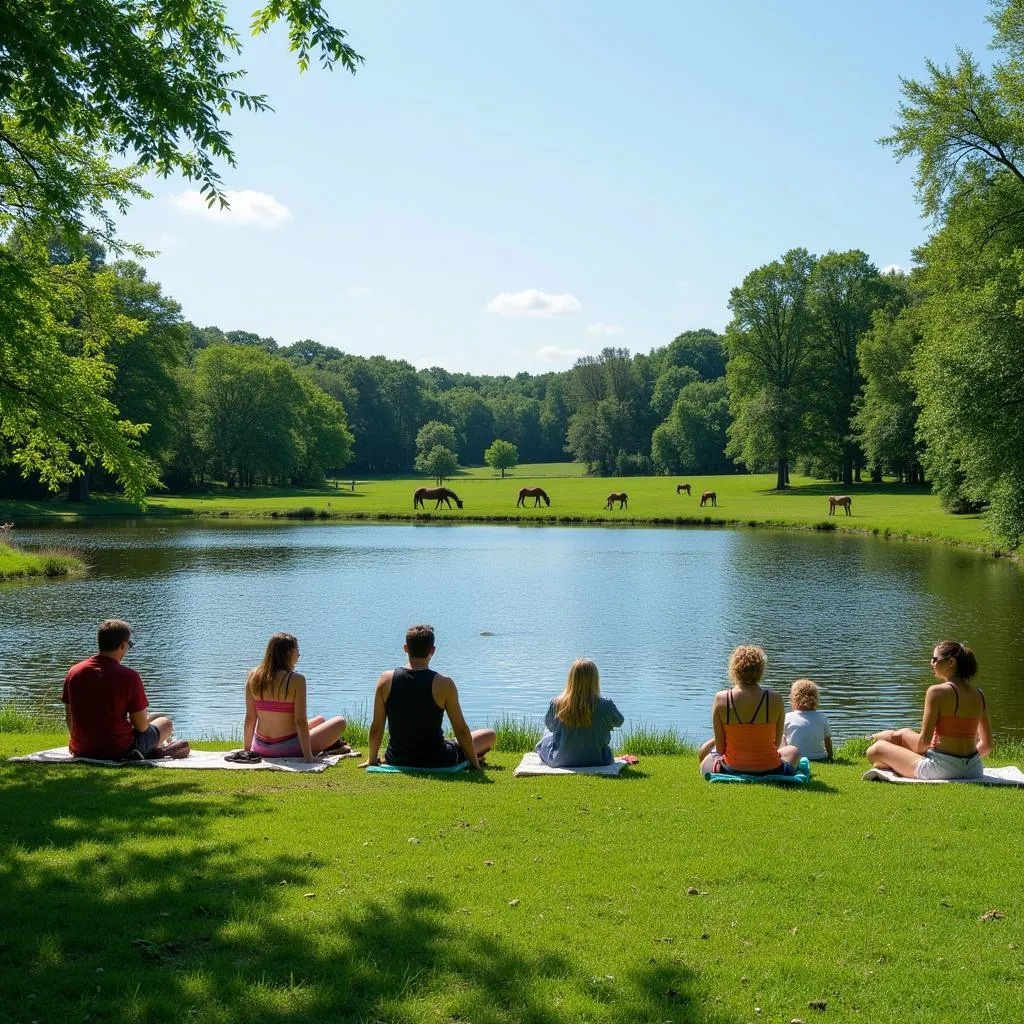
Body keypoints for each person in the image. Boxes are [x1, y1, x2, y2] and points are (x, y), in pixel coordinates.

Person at [361, 624, 495, 770]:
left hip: (397, 758)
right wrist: (475, 765)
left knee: (454, 741)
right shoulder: (445, 684)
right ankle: (474, 757)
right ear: (432, 651)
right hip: (438, 759)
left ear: (405, 648)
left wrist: (372, 760)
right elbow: (461, 729)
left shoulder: (385, 680)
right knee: (490, 735)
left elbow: (377, 727)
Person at [61, 619, 190, 760]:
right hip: (120, 750)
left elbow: (70, 717)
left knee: (153, 718)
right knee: (165, 723)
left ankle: (155, 748)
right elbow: (141, 727)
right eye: (130, 645)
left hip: (81, 749)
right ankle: (155, 749)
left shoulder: (74, 672)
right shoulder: (129, 676)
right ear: (122, 645)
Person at [866, 640, 992, 780]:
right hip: (974, 769)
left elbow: (922, 744)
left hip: (940, 769)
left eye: (935, 659)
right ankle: (884, 738)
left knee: (876, 750)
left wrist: (951, 763)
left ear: (951, 662)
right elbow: (987, 746)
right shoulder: (979, 694)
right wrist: (965, 764)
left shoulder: (936, 692)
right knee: (903, 733)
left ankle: (877, 742)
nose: (931, 663)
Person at [698, 645, 802, 777]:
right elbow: (776, 744)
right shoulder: (775, 699)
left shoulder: (721, 699)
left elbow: (720, 749)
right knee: (793, 751)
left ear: (734, 669)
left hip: (731, 769)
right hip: (772, 769)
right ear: (760, 670)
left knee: (706, 761)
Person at [243, 633, 348, 762]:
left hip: (260, 747)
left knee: (320, 720)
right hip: (287, 748)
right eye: (297, 650)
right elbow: (300, 721)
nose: (299, 655)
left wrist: (247, 750)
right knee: (340, 722)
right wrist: (308, 756)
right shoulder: (296, 680)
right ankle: (330, 746)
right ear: (287, 653)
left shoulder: (253, 676)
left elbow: (250, 718)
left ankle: (332, 745)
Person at [535, 658, 624, 767]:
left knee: (546, 738)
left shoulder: (557, 704)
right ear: (595, 679)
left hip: (561, 760)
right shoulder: (606, 705)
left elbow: (551, 727)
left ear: (571, 679)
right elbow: (619, 722)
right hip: (599, 760)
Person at [783, 679, 834, 762]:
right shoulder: (822, 717)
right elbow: (827, 740)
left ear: (794, 698)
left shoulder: (788, 717)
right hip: (819, 758)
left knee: (783, 737)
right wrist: (830, 756)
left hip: (794, 758)